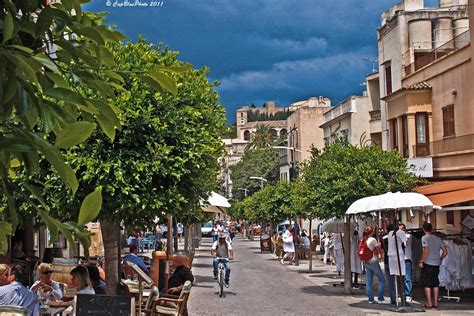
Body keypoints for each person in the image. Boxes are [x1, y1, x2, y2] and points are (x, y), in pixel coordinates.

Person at [419, 222, 448, 308]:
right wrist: (440, 259)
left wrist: (421, 261)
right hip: (436, 263)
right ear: (431, 229)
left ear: (423, 229)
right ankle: (435, 302)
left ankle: (429, 303)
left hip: (428, 263)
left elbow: (426, 251)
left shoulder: (424, 238)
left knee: (427, 283)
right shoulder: (438, 238)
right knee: (435, 283)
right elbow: (445, 252)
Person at [360, 226, 389, 305]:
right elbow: (378, 250)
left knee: (369, 281)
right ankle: (380, 298)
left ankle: (371, 299)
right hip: (373, 261)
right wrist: (380, 256)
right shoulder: (373, 239)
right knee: (382, 280)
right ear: (371, 232)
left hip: (366, 262)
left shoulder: (363, 240)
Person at [381, 224, 396, 305]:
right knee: (399, 281)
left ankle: (393, 299)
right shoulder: (397, 237)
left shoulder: (384, 238)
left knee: (390, 281)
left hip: (387, 260)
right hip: (397, 261)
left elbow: (382, 248)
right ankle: (402, 297)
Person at [399, 223, 413, 302]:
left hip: (407, 258)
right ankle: (402, 294)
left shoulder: (408, 236)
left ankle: (408, 294)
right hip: (400, 259)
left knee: (407, 278)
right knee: (401, 278)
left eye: (402, 229)